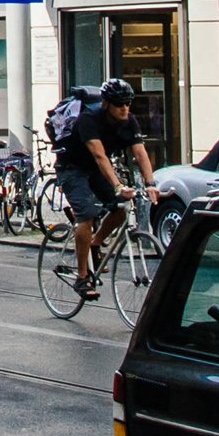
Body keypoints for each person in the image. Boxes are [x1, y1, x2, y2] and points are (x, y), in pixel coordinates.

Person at [63, 80, 155, 299]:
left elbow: (140, 153)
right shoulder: (89, 119)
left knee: (120, 211)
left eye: (127, 103)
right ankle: (82, 278)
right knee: (87, 216)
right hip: (72, 169)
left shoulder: (129, 121)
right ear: (105, 104)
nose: (124, 108)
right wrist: (118, 186)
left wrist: (151, 184)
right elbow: (99, 155)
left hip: (97, 171)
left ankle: (95, 244)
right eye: (118, 104)